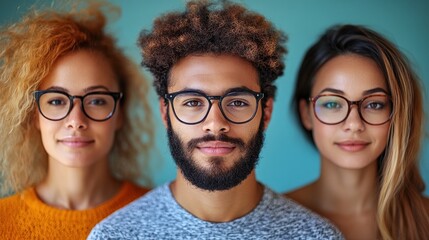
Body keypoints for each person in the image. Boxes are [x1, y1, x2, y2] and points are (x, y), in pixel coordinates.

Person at [88, 1, 344, 239]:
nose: (215, 123)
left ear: (265, 112)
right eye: (192, 102)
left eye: (237, 102)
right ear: (166, 113)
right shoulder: (115, 235)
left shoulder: (316, 235)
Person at [0, 2, 154, 239]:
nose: (76, 121)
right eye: (56, 101)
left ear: (120, 113)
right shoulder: (4, 221)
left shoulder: (157, 214)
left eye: (96, 100)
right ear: (34, 116)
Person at [284, 24, 429, 239]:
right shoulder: (275, 221)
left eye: (374, 104)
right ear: (306, 114)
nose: (354, 124)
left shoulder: (425, 219)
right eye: (332, 104)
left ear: (397, 113)